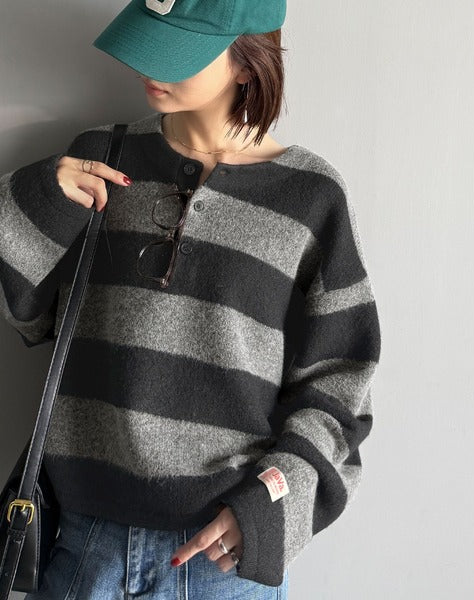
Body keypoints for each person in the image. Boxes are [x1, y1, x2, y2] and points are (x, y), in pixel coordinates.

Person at [0, 0, 381, 598]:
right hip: (83, 543)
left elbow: (340, 385)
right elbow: (32, 317)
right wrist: (37, 199)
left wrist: (270, 506)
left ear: (247, 63)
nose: (148, 67)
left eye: (177, 51)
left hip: (221, 561)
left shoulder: (311, 198)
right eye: (148, 40)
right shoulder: (101, 157)